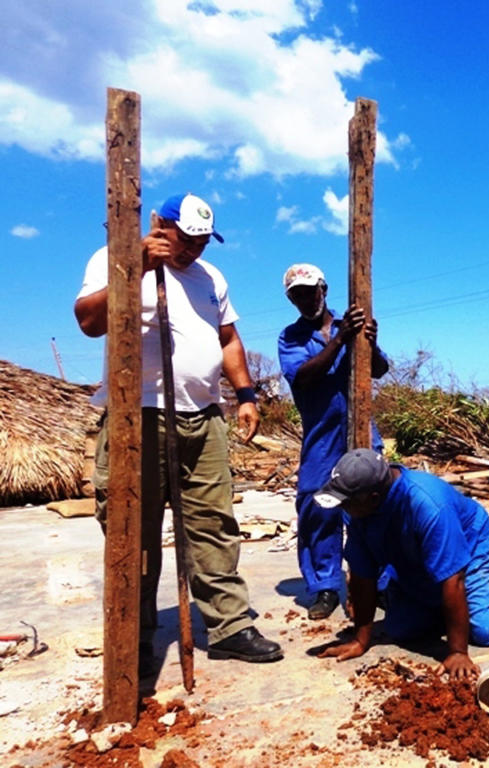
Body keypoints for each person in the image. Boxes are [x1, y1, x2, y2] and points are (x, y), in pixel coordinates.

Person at [74, 192, 283, 668]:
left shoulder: (212, 278)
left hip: (203, 418)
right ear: (159, 225)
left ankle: (229, 627)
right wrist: (139, 266)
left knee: (214, 526)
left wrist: (246, 395)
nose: (193, 250)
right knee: (135, 530)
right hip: (138, 415)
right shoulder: (116, 258)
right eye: (185, 238)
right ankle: (135, 634)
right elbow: (88, 321)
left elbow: (227, 338)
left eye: (203, 241)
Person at [313, 449, 489, 679]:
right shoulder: (356, 509)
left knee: (488, 629)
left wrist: (457, 651)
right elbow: (362, 574)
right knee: (401, 630)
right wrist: (361, 640)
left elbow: (454, 578)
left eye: (347, 502)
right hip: (417, 557)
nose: (343, 507)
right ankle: (448, 605)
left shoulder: (427, 503)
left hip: (470, 551)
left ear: (373, 498)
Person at [277, 264, 390, 620]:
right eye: (297, 294)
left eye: (311, 291)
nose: (305, 299)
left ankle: (381, 583)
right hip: (321, 436)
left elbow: (378, 370)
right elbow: (304, 376)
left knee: (373, 504)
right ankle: (325, 586)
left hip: (360, 430)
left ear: (323, 289)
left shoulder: (351, 322)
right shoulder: (291, 338)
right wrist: (341, 340)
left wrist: (367, 341)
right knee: (317, 509)